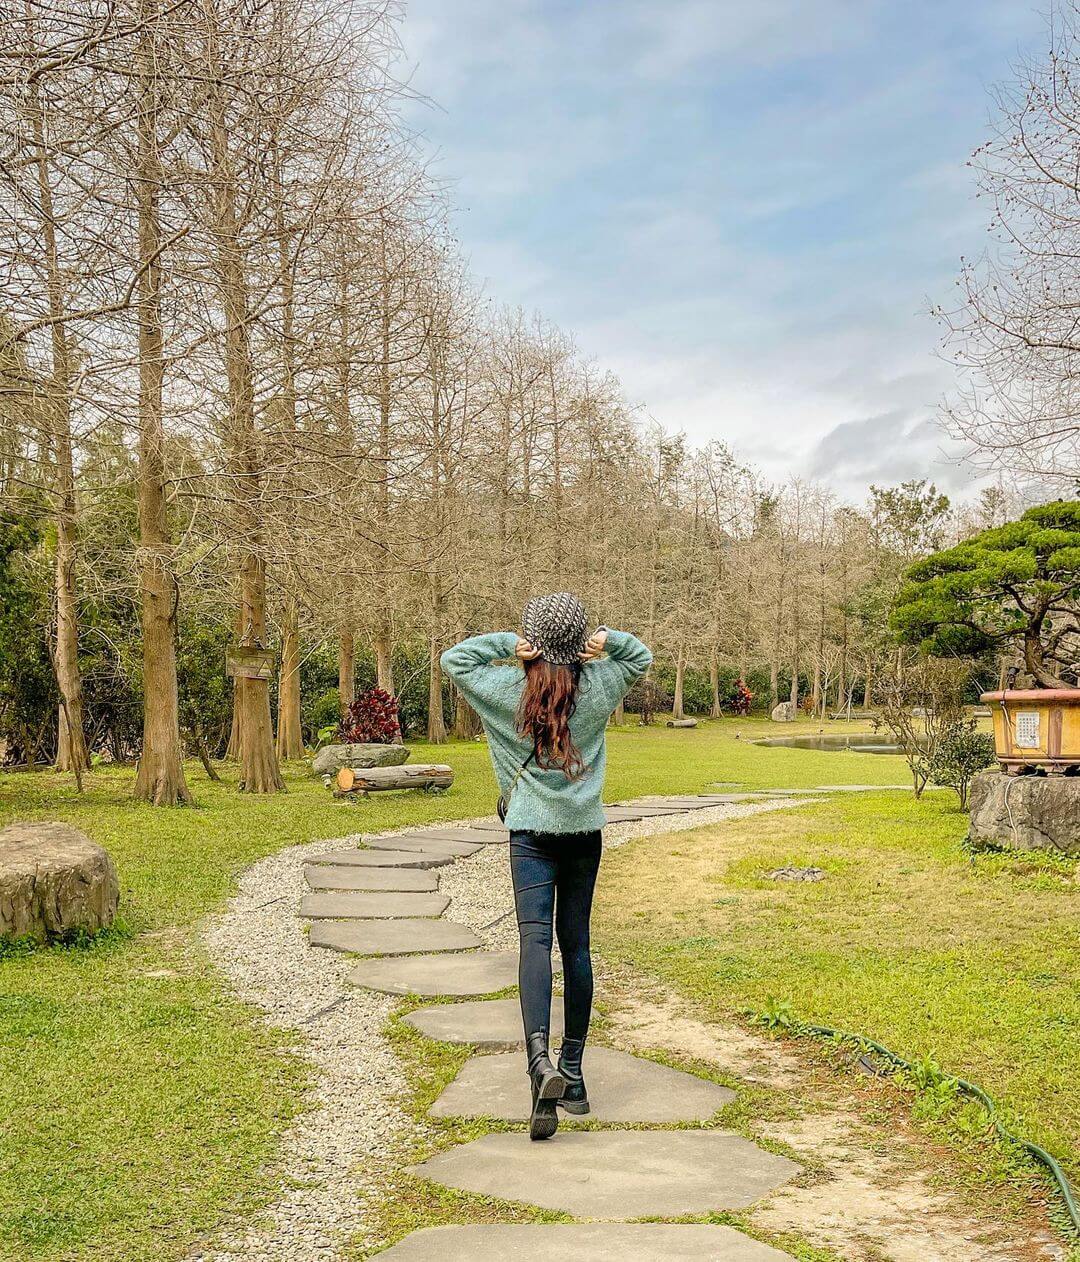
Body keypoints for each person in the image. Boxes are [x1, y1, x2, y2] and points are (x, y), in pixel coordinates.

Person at [440, 593, 652, 1140]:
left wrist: (507, 646)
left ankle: (539, 1069)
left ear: (533, 641)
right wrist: (606, 639)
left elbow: (455, 660)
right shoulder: (601, 685)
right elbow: (641, 657)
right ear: (580, 642)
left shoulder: (505, 689)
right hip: (583, 833)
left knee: (534, 944)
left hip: (530, 835)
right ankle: (574, 1071)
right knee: (576, 944)